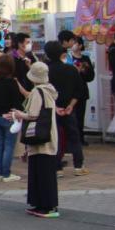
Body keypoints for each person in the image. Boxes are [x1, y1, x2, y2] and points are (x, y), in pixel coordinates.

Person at [13, 62, 59, 218]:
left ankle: (46, 206)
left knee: (41, 173)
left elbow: (33, 114)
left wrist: (19, 114)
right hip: (49, 136)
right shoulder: (49, 90)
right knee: (44, 172)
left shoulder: (38, 92)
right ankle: (42, 205)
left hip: (40, 138)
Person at [45, 41, 87, 177]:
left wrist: (55, 107)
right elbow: (79, 90)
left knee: (55, 137)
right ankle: (78, 166)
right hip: (69, 109)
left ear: (47, 54)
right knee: (74, 137)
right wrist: (71, 105)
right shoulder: (71, 69)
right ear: (62, 53)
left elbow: (44, 92)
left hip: (52, 109)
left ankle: (58, 169)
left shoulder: (46, 71)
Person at [0, 55, 23, 182]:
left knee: (0, 144)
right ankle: (6, 173)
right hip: (10, 116)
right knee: (9, 146)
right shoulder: (12, 82)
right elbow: (17, 101)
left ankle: (0, 173)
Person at [69, 38, 96, 144]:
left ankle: (80, 137)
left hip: (82, 90)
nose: (74, 45)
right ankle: (72, 138)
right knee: (72, 116)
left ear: (80, 46)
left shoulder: (85, 58)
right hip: (71, 91)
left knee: (80, 116)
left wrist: (83, 71)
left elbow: (90, 76)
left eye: (76, 43)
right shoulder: (69, 58)